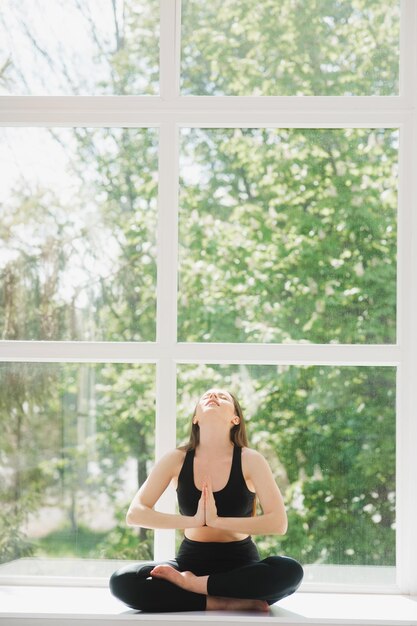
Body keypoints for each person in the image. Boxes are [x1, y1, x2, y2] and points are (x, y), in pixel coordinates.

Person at [109, 388, 303, 612]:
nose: (213, 397)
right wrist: (195, 520)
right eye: (206, 396)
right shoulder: (177, 459)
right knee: (122, 581)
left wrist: (217, 520)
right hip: (190, 562)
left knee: (290, 571)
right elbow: (135, 514)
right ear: (195, 418)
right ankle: (221, 601)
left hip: (240, 566)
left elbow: (278, 523)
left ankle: (193, 586)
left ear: (235, 419)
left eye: (222, 397)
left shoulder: (251, 460)